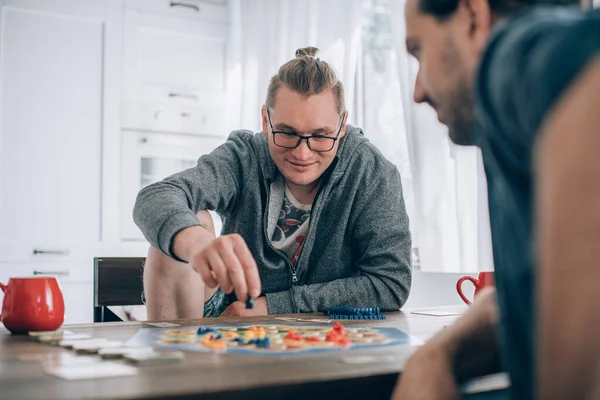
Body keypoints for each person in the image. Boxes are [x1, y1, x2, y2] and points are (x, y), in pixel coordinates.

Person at [394, 0, 599, 399]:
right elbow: (518, 302)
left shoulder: (502, 55)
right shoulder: (515, 131)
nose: (417, 91)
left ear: (473, 17)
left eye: (418, 49)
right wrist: (438, 355)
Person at [134, 47, 412, 321]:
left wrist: (277, 305)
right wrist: (193, 240)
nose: (303, 154)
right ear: (266, 120)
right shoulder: (244, 157)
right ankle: (175, 362)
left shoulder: (372, 173)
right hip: (227, 321)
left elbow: (391, 282)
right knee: (184, 222)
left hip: (329, 330)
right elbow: (156, 196)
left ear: (342, 126)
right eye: (287, 133)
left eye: (320, 136)